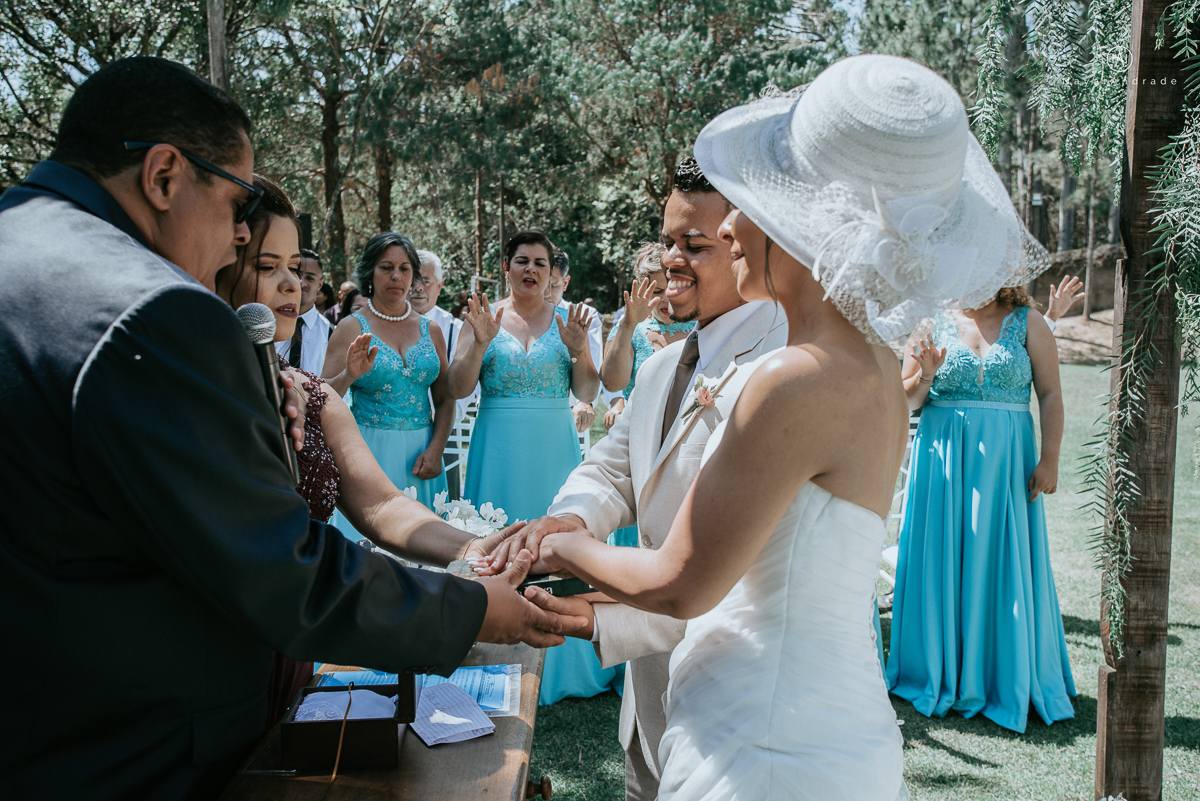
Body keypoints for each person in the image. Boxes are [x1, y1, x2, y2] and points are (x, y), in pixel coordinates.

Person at [0, 56, 576, 800]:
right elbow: (279, 568)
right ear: (165, 176)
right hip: (111, 747)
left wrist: (470, 551)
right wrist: (467, 608)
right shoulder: (151, 310)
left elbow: (376, 503)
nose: (237, 234)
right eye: (236, 202)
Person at [498, 55, 1053, 799]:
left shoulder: (791, 379)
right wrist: (590, 590)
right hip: (828, 731)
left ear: (809, 217)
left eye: (748, 203)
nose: (727, 226)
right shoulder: (875, 369)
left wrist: (557, 543)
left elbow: (681, 580)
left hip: (758, 746)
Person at [477, 157, 788, 800]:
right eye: (666, 241)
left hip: (740, 701)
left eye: (693, 245)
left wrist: (593, 615)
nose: (670, 260)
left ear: (748, 241)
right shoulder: (661, 366)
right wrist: (567, 520)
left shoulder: (785, 371)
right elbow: (612, 468)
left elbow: (740, 578)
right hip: (648, 701)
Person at [217, 177, 527, 722]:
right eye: (268, 267)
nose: (292, 284)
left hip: (293, 647)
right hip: (221, 650)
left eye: (295, 266)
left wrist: (476, 548)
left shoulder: (311, 396)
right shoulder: (197, 392)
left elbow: (383, 507)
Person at [887, 281, 1076, 733]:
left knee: (1000, 562)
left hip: (1007, 468)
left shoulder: (1029, 323)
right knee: (941, 563)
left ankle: (1003, 673)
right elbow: (906, 399)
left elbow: (1050, 394)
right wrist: (927, 373)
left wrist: (1049, 458)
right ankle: (936, 670)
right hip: (943, 465)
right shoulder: (931, 321)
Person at [448, 230, 612, 705]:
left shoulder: (567, 321)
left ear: (549, 271)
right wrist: (479, 343)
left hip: (552, 448)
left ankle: (561, 660)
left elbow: (586, 394)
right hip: (497, 443)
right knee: (495, 539)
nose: (531, 269)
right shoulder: (484, 318)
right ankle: (491, 649)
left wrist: (580, 349)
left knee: (553, 546)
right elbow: (458, 388)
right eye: (522, 260)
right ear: (507, 267)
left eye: (540, 262)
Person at [322, 233, 452, 513]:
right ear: (370, 272)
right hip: (369, 452)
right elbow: (324, 397)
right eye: (386, 267)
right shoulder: (351, 327)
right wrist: (348, 374)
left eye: (404, 268)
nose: (396, 276)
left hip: (423, 453)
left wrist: (437, 449)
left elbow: (445, 398)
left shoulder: (432, 330)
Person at [600, 242, 696, 423]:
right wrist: (628, 325)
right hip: (641, 428)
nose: (666, 298)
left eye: (672, 286)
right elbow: (612, 383)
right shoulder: (629, 330)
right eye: (657, 291)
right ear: (642, 291)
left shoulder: (701, 326)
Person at [412, 248, 476, 497]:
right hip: (399, 429)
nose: (418, 287)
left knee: (445, 503)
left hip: (447, 433)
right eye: (414, 279)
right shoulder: (387, 325)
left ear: (439, 286)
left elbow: (468, 389)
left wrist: (440, 423)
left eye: (425, 281)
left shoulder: (457, 329)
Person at [546, 247, 604, 433]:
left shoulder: (585, 316)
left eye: (553, 285)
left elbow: (593, 363)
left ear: (565, 282)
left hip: (568, 414)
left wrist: (584, 402)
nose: (546, 293)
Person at [274, 246, 332, 375]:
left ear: (320, 285)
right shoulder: (270, 324)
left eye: (310, 278)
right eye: (296, 274)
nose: (301, 282)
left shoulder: (330, 333)